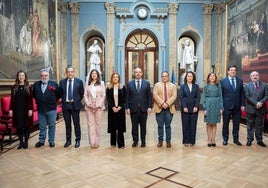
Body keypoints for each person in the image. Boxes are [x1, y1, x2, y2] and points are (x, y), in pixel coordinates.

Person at [33, 69, 60, 148]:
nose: (44, 77)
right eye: (42, 75)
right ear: (40, 76)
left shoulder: (54, 84)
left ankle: (51, 141)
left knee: (52, 125)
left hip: (51, 108)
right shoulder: (36, 84)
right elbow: (34, 95)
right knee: (42, 125)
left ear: (48, 76)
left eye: (45, 75)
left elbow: (58, 94)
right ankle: (41, 140)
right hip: (40, 109)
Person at [126, 67, 152, 148]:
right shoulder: (129, 84)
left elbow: (149, 97)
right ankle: (135, 141)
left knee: (143, 126)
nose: (138, 73)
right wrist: (127, 108)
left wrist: (149, 107)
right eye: (136, 72)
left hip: (144, 109)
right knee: (134, 127)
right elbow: (127, 97)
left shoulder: (146, 83)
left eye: (139, 72)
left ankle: (143, 141)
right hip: (133, 109)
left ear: (142, 73)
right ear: (134, 73)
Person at [220, 65, 245, 146]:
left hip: (237, 107)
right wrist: (221, 106)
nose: (233, 71)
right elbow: (221, 95)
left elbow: (242, 94)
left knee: (236, 124)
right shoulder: (223, 81)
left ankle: (236, 139)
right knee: (225, 124)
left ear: (236, 72)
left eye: (234, 70)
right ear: (228, 71)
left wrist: (242, 104)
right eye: (231, 70)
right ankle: (225, 139)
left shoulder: (240, 81)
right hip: (226, 106)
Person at [59, 66, 84, 148]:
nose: (70, 73)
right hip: (66, 105)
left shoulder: (79, 81)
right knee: (67, 124)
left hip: (75, 105)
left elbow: (81, 93)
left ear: (74, 72)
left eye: (71, 71)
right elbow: (61, 93)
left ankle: (77, 140)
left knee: (76, 124)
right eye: (68, 72)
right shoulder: (62, 82)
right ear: (66, 73)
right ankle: (68, 141)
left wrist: (76, 100)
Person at [9, 70, 33, 149]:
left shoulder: (29, 87)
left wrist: (30, 109)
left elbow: (30, 100)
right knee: (19, 127)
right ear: (17, 77)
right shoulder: (14, 87)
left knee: (27, 126)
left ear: (25, 77)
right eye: (19, 75)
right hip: (17, 110)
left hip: (26, 110)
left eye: (22, 75)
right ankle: (21, 143)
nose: (21, 77)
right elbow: (12, 100)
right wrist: (11, 109)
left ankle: (26, 142)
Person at [153, 71, 177, 148]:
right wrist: (162, 103)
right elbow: (155, 95)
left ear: (168, 77)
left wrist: (167, 104)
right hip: (159, 108)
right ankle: (160, 141)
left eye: (166, 76)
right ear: (161, 77)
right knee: (160, 125)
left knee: (168, 125)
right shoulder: (157, 85)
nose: (164, 77)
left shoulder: (173, 86)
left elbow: (174, 96)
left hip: (169, 109)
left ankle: (168, 141)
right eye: (163, 76)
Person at [244, 71, 268, 147]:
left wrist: (260, 103)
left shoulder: (264, 85)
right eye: (253, 75)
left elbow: (266, 96)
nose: (255, 76)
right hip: (251, 109)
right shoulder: (247, 86)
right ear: (251, 77)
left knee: (259, 125)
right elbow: (247, 96)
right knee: (250, 125)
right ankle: (249, 140)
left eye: (256, 75)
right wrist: (256, 103)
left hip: (261, 109)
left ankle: (259, 140)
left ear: (259, 76)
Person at [84, 69, 106, 149]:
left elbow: (103, 95)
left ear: (97, 75)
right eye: (92, 73)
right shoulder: (87, 83)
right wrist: (88, 104)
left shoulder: (102, 83)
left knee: (98, 125)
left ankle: (97, 142)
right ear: (90, 75)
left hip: (99, 107)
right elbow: (85, 95)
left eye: (95, 73)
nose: (94, 75)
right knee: (91, 125)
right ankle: (92, 143)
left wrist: (99, 104)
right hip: (89, 107)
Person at [201, 72, 223, 147]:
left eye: (213, 76)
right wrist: (205, 108)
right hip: (208, 104)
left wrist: (220, 107)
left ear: (215, 78)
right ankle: (209, 139)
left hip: (216, 104)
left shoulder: (218, 86)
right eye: (211, 76)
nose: (212, 77)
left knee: (214, 123)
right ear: (208, 78)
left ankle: (213, 139)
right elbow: (203, 97)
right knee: (208, 123)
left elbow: (220, 97)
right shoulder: (206, 86)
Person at [179, 71, 200, 146]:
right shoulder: (182, 86)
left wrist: (196, 106)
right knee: (185, 125)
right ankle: (185, 141)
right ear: (186, 77)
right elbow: (181, 97)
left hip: (194, 108)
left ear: (193, 77)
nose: (190, 77)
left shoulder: (196, 86)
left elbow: (198, 97)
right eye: (188, 76)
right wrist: (184, 106)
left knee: (193, 125)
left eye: (191, 76)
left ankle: (192, 141)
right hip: (185, 108)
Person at [106, 73, 126, 149]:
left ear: (119, 78)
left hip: (120, 110)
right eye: (114, 77)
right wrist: (113, 107)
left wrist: (120, 107)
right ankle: (113, 143)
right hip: (112, 110)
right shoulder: (108, 88)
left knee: (120, 126)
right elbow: (108, 99)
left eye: (117, 77)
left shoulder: (122, 87)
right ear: (112, 78)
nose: (115, 78)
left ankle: (121, 144)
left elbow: (124, 98)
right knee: (113, 126)